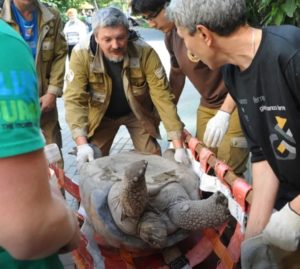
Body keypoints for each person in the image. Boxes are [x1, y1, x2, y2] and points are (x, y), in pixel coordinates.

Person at [166, 0, 300, 267]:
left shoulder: (290, 51)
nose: (188, 52)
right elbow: (263, 156)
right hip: (288, 197)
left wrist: (296, 213)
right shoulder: (233, 74)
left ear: (204, 34)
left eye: (184, 38)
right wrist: (255, 235)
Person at [131, 0, 249, 176]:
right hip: (208, 103)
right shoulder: (171, 36)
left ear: (168, 6)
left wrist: (224, 113)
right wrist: (168, 114)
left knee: (229, 168)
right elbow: (177, 74)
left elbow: (243, 68)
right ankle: (210, 201)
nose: (151, 24)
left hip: (235, 100)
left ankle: (231, 202)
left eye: (151, 17)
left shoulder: (204, 24)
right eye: (145, 19)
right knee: (204, 161)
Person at [64, 7, 189, 167]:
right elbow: (74, 99)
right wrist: (81, 144)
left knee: (154, 162)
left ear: (128, 34)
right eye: (107, 40)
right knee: (93, 163)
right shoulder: (81, 54)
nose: (115, 45)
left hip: (137, 113)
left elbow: (163, 97)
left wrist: (177, 145)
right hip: (101, 115)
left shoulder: (145, 52)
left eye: (120, 38)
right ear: (96, 37)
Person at [0, 19, 80, 269]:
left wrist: (53, 91)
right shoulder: (6, 44)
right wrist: (68, 223)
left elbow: (58, 58)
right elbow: (30, 232)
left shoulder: (51, 17)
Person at [1, 0, 67, 167]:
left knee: (55, 166)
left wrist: (53, 92)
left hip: (45, 105)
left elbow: (60, 54)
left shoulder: (52, 16)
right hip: (10, 108)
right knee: (17, 167)